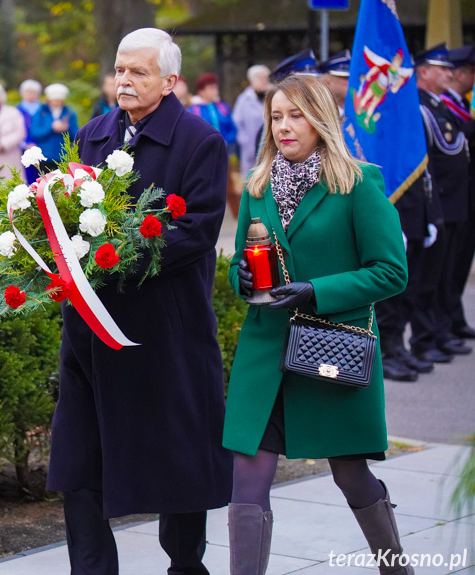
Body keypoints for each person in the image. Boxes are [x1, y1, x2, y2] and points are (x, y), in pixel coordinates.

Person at [47, 28, 232, 574]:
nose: (124, 80)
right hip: (89, 333)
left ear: (170, 81)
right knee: (78, 463)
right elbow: (59, 214)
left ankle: (185, 566)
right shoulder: (92, 134)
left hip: (164, 335)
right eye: (120, 69)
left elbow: (197, 230)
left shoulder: (201, 142)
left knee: (177, 465)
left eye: (139, 72)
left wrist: (111, 257)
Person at [224, 74, 410, 575]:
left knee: (351, 475)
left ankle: (396, 568)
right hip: (265, 356)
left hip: (331, 351)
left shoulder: (358, 183)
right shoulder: (258, 185)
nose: (284, 126)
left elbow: (391, 272)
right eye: (276, 117)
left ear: (321, 118)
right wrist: (239, 275)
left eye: (296, 115)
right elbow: (246, 262)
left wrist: (316, 291)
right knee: (247, 475)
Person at [410, 43, 472, 363]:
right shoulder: (421, 108)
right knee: (427, 280)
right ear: (422, 73)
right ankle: (425, 338)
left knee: (445, 275)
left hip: (453, 203)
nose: (450, 73)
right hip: (439, 202)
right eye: (441, 68)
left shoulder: (441, 107)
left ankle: (441, 330)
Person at [441, 45, 475, 341]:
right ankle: (441, 325)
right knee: (442, 269)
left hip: (462, 197)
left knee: (458, 262)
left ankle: (453, 317)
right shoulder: (437, 107)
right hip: (446, 198)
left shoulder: (456, 106)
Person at [29, 83, 79, 170]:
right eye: (54, 100)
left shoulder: (69, 113)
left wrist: (67, 128)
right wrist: (51, 128)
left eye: (58, 100)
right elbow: (35, 133)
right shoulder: (40, 113)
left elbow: (75, 136)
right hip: (44, 157)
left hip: (63, 157)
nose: (56, 103)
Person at [233, 65, 270, 179]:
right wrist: (244, 141)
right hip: (249, 149)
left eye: (265, 78)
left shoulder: (271, 97)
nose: (264, 81)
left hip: (268, 147)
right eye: (260, 78)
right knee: (250, 179)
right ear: (251, 81)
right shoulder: (244, 99)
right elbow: (236, 123)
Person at [188, 73, 238, 156]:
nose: (215, 91)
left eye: (215, 87)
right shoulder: (193, 110)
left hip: (225, 151)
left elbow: (232, 127)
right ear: (201, 91)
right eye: (211, 88)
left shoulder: (223, 107)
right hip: (203, 153)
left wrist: (228, 141)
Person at [17, 79, 43, 183]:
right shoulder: (17, 111)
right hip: (23, 149)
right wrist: (25, 144)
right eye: (28, 91)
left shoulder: (43, 110)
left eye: (33, 92)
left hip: (41, 148)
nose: (31, 94)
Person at [319, 50, 351, 115]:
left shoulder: (359, 113)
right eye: (345, 77)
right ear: (326, 82)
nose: (351, 81)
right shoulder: (318, 114)